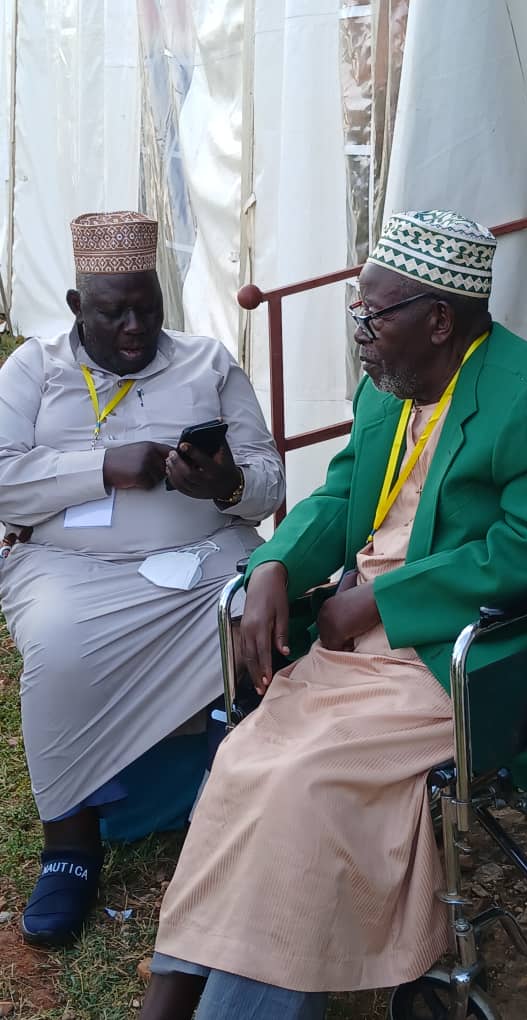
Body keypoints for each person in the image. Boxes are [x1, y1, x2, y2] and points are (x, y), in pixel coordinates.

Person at [140, 207, 527, 1020]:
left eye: (372, 314)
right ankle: (179, 982)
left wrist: (384, 599)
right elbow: (341, 493)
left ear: (439, 320)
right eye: (356, 311)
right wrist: (272, 563)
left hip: (456, 650)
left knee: (303, 782)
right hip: (358, 629)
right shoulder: (393, 383)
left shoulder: (525, 394)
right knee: (245, 762)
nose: (359, 332)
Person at [0, 211, 285, 947]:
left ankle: (240, 789)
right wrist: (98, 467)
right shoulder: (33, 369)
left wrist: (223, 485)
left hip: (203, 561)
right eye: (112, 312)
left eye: (147, 308)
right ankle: (70, 841)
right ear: (74, 308)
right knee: (60, 646)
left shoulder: (208, 362)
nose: (134, 327)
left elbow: (268, 480)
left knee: (265, 611)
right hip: (67, 566)